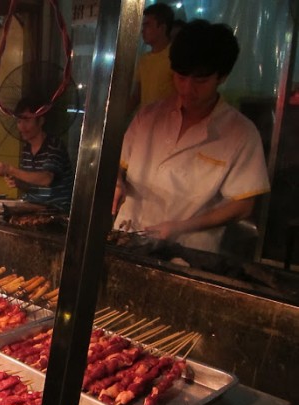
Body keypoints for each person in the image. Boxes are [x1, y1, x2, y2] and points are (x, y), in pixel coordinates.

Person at [112, 20, 270, 253]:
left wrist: (180, 226)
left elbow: (244, 205)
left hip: (188, 251)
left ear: (222, 77)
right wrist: (117, 183)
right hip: (127, 237)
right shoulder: (148, 116)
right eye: (180, 77)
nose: (187, 89)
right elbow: (119, 164)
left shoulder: (241, 132)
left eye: (200, 81)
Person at [0, 97, 74, 211]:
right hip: (32, 208)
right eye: (19, 121)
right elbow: (33, 186)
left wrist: (10, 170)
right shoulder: (26, 149)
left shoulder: (54, 145)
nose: (21, 127)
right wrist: (17, 181)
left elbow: (46, 179)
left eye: (27, 121)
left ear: (41, 121)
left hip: (56, 212)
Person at [128, 3, 176, 114]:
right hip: (145, 123)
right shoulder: (144, 59)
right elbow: (137, 96)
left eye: (147, 25)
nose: (142, 30)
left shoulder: (175, 58)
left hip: (166, 124)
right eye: (143, 25)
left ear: (162, 28)